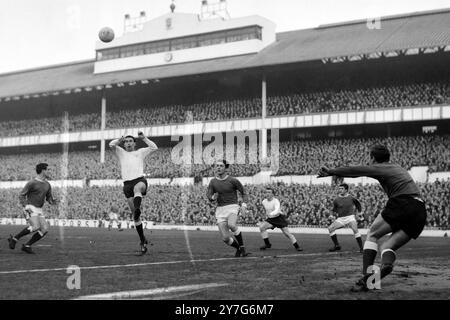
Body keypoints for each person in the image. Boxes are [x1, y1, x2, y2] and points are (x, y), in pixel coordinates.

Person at [318, 144, 427, 292]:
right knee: (387, 247)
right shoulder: (399, 168)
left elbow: (354, 170)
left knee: (373, 234)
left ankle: (367, 275)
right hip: (420, 211)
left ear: (373, 158)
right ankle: (381, 271)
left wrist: (331, 171)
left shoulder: (380, 167)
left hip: (403, 202)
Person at [109, 132, 158, 255]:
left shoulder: (140, 152)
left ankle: (137, 208)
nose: (128, 143)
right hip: (127, 185)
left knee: (138, 189)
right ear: (124, 144)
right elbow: (111, 144)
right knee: (135, 217)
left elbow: (154, 147)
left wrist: (144, 138)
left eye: (130, 141)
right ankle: (142, 240)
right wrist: (120, 139)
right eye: (126, 141)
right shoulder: (120, 152)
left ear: (134, 143)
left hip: (139, 180)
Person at [8, 163, 57, 254]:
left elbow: (49, 198)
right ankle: (15, 239)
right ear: (43, 170)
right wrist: (26, 206)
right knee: (36, 226)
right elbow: (22, 195)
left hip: (39, 209)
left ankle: (26, 245)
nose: (50, 171)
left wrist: (53, 201)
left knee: (45, 229)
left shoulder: (47, 184)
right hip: (30, 206)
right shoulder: (32, 183)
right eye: (48, 170)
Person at [207, 159, 249, 257]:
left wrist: (243, 205)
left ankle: (242, 247)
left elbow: (244, 192)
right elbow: (209, 195)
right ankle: (238, 248)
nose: (218, 167)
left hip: (232, 207)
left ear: (226, 168)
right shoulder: (213, 182)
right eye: (217, 166)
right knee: (225, 238)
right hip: (220, 210)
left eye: (221, 166)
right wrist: (213, 198)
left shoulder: (233, 180)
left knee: (232, 225)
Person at [259, 187, 303, 251]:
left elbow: (277, 210)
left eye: (269, 192)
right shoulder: (264, 201)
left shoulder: (276, 201)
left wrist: (271, 214)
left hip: (279, 218)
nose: (267, 194)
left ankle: (297, 246)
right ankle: (267, 244)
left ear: (272, 194)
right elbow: (266, 210)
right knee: (261, 227)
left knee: (287, 233)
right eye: (266, 192)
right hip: (271, 219)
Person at [327, 183, 364, 253]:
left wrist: (359, 212)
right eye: (339, 189)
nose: (340, 190)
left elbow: (358, 204)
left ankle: (362, 248)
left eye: (342, 189)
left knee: (355, 229)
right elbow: (333, 209)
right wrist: (331, 215)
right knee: (330, 228)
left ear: (346, 190)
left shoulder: (351, 198)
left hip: (350, 217)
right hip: (341, 219)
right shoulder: (336, 199)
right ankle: (337, 245)